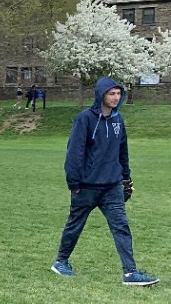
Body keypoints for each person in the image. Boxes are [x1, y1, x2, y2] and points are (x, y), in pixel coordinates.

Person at [51, 77, 158, 286]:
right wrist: (74, 184)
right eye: (111, 94)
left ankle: (130, 273)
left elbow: (122, 151)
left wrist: (126, 179)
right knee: (75, 225)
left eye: (118, 94)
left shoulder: (118, 120)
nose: (116, 98)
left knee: (121, 227)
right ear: (101, 95)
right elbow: (74, 153)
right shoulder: (84, 119)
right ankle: (61, 262)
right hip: (87, 187)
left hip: (112, 186)